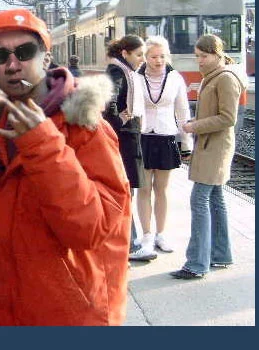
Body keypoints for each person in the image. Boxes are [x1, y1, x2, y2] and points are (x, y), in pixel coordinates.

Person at [0, 9, 131, 325]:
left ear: (46, 58)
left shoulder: (86, 127)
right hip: (11, 308)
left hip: (73, 315)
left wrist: (42, 144)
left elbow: (92, 230)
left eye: (24, 52)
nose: (11, 64)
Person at [171, 34, 247, 280]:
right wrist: (197, 122)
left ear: (217, 54)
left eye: (203, 56)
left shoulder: (225, 79)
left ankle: (196, 263)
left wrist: (195, 126)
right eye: (197, 56)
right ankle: (220, 254)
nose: (199, 61)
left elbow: (228, 118)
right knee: (215, 199)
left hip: (215, 147)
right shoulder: (214, 77)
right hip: (211, 145)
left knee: (200, 200)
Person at [137, 36, 193, 255]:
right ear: (145, 57)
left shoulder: (175, 78)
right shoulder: (136, 77)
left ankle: (161, 234)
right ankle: (146, 236)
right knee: (144, 189)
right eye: (153, 57)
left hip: (166, 136)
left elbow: (182, 111)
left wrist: (186, 142)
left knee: (162, 189)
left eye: (162, 56)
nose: (158, 61)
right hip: (143, 136)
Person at [103, 34, 156, 261]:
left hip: (127, 138)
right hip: (124, 139)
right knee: (124, 192)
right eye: (139, 55)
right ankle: (129, 245)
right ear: (125, 53)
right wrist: (120, 123)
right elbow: (109, 102)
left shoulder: (122, 70)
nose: (142, 59)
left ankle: (129, 242)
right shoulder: (118, 71)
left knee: (126, 191)